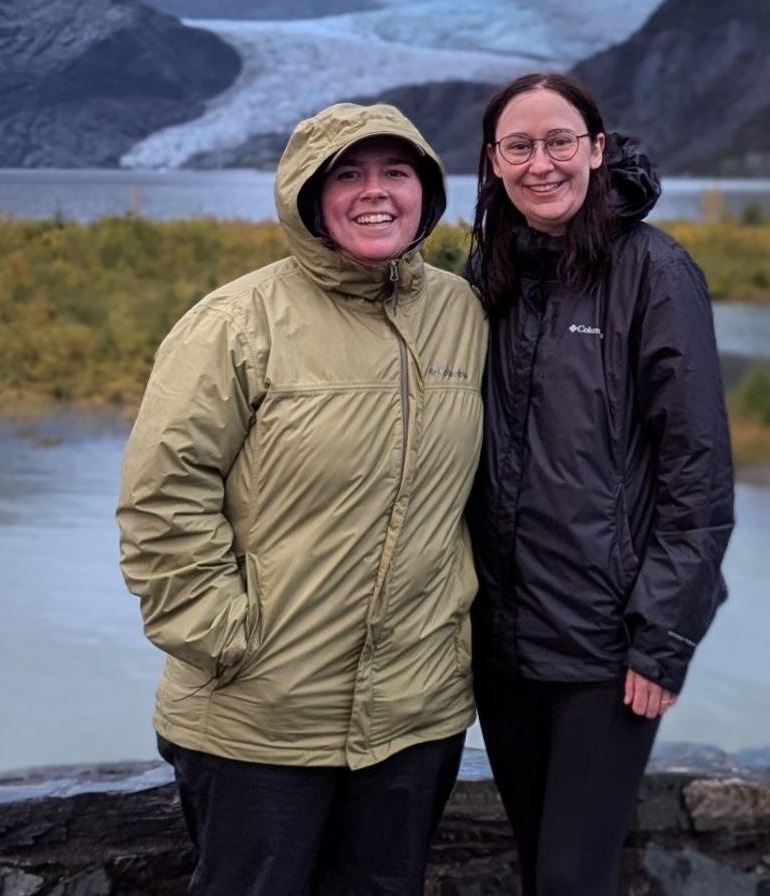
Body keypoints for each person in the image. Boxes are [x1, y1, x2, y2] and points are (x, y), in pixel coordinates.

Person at [117, 102, 487, 896]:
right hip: (257, 719)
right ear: (308, 197)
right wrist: (227, 640)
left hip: (415, 716)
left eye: (396, 172)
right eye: (348, 174)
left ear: (426, 191)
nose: (375, 192)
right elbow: (161, 503)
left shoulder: (464, 313)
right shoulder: (233, 323)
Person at [467, 72, 734, 896]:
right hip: (501, 642)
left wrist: (663, 639)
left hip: (605, 647)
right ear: (493, 160)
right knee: (535, 860)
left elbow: (698, 473)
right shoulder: (490, 270)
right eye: (519, 145)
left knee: (570, 878)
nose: (540, 163)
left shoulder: (654, 271)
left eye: (559, 141)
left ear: (596, 149)